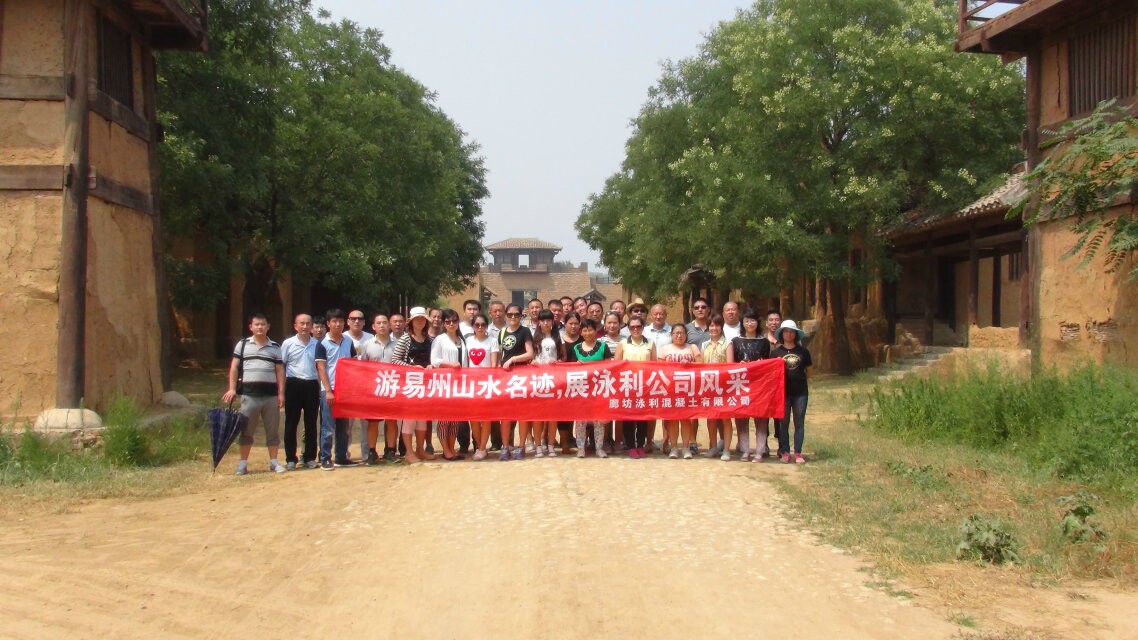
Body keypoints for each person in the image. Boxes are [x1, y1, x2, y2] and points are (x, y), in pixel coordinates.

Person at [222, 313, 286, 475]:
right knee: (246, 430)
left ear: (268, 326)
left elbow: (280, 371)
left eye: (263, 324)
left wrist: (281, 393)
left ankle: (274, 462)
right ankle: (242, 463)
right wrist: (232, 389)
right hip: (249, 395)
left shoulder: (275, 347)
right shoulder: (243, 345)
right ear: (251, 327)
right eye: (256, 324)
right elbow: (234, 367)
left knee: (273, 431)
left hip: (270, 396)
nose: (260, 327)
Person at [391, 306, 436, 463]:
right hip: (409, 384)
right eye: (417, 319)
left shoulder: (430, 340)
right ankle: (409, 452)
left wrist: (432, 365)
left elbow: (434, 359)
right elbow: (395, 360)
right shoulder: (405, 339)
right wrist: (411, 368)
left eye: (423, 319)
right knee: (409, 418)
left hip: (425, 384)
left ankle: (420, 450)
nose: (420, 321)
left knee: (422, 417)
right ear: (411, 322)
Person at [315, 309, 358, 470]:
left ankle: (341, 456)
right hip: (329, 389)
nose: (337, 324)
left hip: (344, 390)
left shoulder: (348, 341)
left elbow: (354, 364)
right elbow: (321, 368)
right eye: (334, 321)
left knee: (343, 426)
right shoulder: (322, 344)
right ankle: (325, 457)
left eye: (340, 321)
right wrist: (328, 391)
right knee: (327, 426)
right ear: (328, 324)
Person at [727, 309, 772, 461]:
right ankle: (745, 450)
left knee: (761, 417)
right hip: (741, 384)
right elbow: (731, 364)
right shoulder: (735, 341)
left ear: (758, 322)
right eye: (746, 321)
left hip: (760, 385)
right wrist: (738, 365)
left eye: (752, 320)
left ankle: (760, 450)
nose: (750, 323)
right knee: (741, 417)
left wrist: (761, 364)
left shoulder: (764, 342)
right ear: (742, 323)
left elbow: (769, 364)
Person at [280, 313, 320, 470]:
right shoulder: (288, 344)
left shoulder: (317, 344)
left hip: (311, 384)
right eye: (301, 323)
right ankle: (291, 458)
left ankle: (310, 457)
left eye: (308, 323)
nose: (305, 326)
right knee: (291, 422)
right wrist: (281, 390)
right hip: (293, 384)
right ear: (295, 326)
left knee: (311, 422)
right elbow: (281, 367)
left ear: (312, 326)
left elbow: (320, 367)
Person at [657, 323, 701, 459]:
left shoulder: (692, 347)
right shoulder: (665, 349)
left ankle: (686, 448)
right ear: (671, 335)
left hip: (688, 389)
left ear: (686, 335)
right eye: (676, 333)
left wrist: (690, 364)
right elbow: (658, 369)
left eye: (682, 333)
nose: (679, 335)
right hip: (670, 389)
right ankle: (674, 447)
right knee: (673, 419)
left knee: (686, 419)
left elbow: (702, 365)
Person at [430, 308, 468, 461]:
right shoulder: (440, 339)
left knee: (456, 418)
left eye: (454, 321)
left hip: (460, 384)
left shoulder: (461, 339)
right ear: (444, 324)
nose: (451, 324)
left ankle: (452, 448)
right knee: (445, 419)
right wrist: (450, 364)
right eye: (448, 321)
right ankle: (446, 450)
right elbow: (434, 360)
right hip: (444, 384)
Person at [773, 320, 812, 464]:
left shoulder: (803, 351)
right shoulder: (776, 352)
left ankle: (798, 452)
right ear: (782, 334)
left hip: (800, 392)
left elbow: (809, 371)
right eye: (786, 331)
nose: (789, 334)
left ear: (795, 334)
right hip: (782, 393)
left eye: (791, 332)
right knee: (783, 423)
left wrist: (799, 379)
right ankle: (785, 452)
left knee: (799, 422)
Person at [498, 303, 535, 460]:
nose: (513, 317)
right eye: (510, 314)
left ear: (521, 316)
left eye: (516, 314)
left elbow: (530, 353)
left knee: (522, 414)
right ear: (506, 315)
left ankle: (521, 446)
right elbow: (499, 355)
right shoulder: (502, 332)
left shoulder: (525, 331)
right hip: (506, 377)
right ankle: (505, 446)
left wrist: (513, 359)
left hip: (522, 376)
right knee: (505, 415)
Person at [615, 317, 654, 457]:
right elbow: (616, 365)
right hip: (628, 386)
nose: (635, 329)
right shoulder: (623, 343)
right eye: (632, 327)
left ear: (643, 327)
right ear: (628, 328)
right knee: (629, 417)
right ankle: (631, 446)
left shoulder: (650, 343)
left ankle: (640, 445)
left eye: (638, 326)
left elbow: (654, 365)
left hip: (645, 386)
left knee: (643, 417)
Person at [362, 314, 398, 464]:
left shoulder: (397, 344)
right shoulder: (367, 345)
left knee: (392, 421)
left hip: (393, 388)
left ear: (389, 326)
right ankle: (372, 452)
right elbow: (362, 367)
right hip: (374, 389)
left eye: (384, 323)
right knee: (373, 422)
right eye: (379, 323)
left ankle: (390, 450)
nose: (382, 325)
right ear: (373, 326)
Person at [572, 319, 611, 458]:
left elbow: (609, 366)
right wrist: (576, 365)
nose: (588, 333)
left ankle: (599, 448)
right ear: (581, 332)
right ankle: (581, 448)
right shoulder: (576, 348)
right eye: (585, 330)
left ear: (596, 331)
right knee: (580, 420)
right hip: (581, 389)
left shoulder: (603, 346)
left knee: (598, 419)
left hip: (598, 388)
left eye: (590, 330)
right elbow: (570, 369)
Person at [464, 312, 500, 460]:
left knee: (486, 417)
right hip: (471, 384)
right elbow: (466, 363)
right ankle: (480, 446)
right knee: (473, 417)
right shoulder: (467, 341)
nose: (480, 327)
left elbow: (493, 363)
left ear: (487, 326)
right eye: (477, 325)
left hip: (486, 383)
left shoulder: (492, 341)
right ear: (473, 326)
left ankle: (483, 447)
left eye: (483, 325)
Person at [698, 314, 732, 461]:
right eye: (711, 325)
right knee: (711, 418)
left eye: (717, 325)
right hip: (708, 386)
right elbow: (700, 366)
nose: (714, 328)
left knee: (725, 418)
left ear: (721, 327)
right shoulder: (704, 345)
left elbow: (730, 366)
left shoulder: (728, 344)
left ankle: (726, 449)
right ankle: (713, 447)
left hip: (724, 387)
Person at [531, 309, 562, 457]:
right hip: (538, 380)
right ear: (539, 322)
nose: (546, 322)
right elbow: (530, 357)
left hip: (554, 380)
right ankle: (538, 445)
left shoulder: (557, 337)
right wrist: (532, 362)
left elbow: (562, 357)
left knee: (553, 415)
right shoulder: (534, 338)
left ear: (552, 321)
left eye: (548, 320)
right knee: (538, 415)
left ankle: (550, 445)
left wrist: (558, 361)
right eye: (543, 320)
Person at [345, 309, 374, 460]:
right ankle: (344, 453)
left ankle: (366, 453)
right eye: (353, 319)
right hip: (348, 387)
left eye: (360, 319)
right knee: (347, 424)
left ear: (364, 322)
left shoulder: (371, 339)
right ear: (348, 321)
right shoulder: (342, 338)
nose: (356, 321)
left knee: (366, 423)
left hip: (367, 387)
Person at [557, 311, 583, 454]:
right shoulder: (559, 339)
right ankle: (564, 442)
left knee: (577, 411)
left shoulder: (584, 339)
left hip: (580, 382)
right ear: (565, 324)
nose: (573, 326)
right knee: (562, 412)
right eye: (570, 323)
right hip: (562, 381)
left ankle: (576, 440)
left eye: (576, 324)